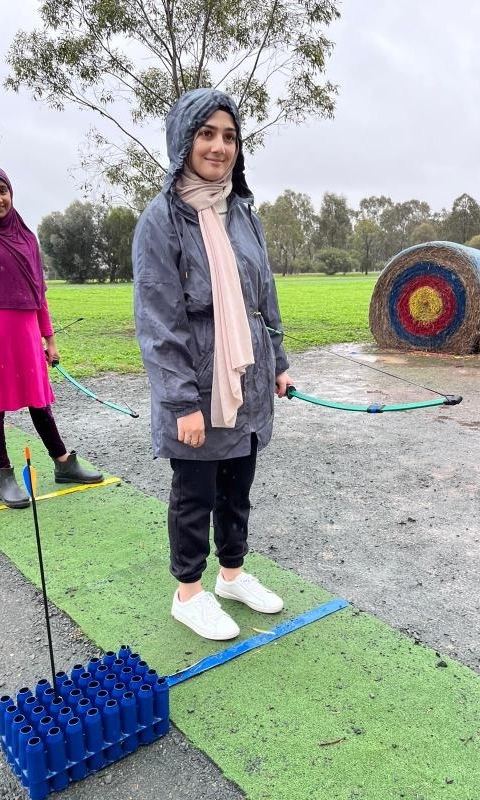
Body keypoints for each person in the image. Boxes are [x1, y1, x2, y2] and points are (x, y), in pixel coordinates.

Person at [133, 88, 293, 640]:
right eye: (206, 134)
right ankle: (189, 593)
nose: (219, 146)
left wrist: (279, 360)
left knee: (238, 486)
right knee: (195, 492)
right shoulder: (161, 221)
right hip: (198, 384)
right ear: (184, 140)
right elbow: (158, 319)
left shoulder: (243, 212)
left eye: (228, 136)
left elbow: (262, 292)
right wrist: (180, 401)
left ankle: (231, 576)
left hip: (246, 376)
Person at [0, 165, 103, 509]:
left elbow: (39, 293)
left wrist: (49, 340)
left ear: (11, 194)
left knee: (39, 401)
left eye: (2, 191)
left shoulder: (26, 236)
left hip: (26, 332)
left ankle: (63, 462)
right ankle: (3, 473)